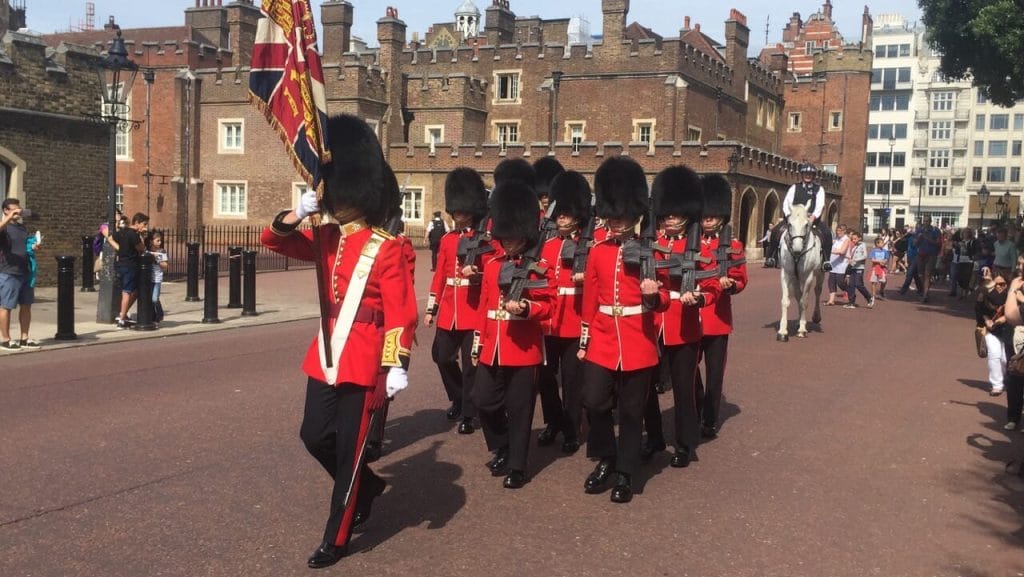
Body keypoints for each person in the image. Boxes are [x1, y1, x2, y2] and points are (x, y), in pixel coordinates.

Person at [260, 114, 418, 569]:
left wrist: (397, 363)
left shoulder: (389, 247)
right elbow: (272, 240)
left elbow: (401, 311)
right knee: (314, 435)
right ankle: (368, 485)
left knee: (349, 450)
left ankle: (338, 536)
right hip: (329, 351)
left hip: (367, 357)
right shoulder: (325, 238)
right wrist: (298, 212)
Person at [578, 156, 671, 504]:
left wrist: (654, 296)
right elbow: (590, 299)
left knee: (633, 411)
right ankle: (605, 457)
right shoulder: (598, 252)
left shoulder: (651, 252)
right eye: (611, 216)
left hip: (637, 337)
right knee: (594, 400)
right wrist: (585, 340)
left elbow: (663, 298)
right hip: (602, 336)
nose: (615, 222)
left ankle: (626, 472)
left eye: (621, 216)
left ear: (635, 215)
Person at [469, 179, 555, 488]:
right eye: (503, 236)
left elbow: (550, 305)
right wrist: (478, 341)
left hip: (523, 347)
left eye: (512, 236)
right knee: (482, 400)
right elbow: (483, 306)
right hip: (493, 344)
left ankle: (518, 465)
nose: (506, 242)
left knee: (520, 409)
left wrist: (527, 309)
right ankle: (502, 445)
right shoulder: (492, 264)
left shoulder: (539, 266)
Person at [641, 165, 720, 468]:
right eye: (667, 214)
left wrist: (699, 297)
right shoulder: (650, 242)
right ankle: (655, 438)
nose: (671, 219)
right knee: (646, 386)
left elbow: (712, 285)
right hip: (651, 322)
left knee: (683, 388)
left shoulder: (699, 246)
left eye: (676, 214)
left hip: (683, 323)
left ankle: (686, 444)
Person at [424, 167, 494, 434]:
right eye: (456, 211)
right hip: (450, 310)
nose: (458, 216)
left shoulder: (485, 241)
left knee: (470, 366)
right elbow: (440, 275)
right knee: (441, 357)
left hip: (473, 309)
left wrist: (476, 275)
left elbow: (491, 274)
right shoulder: (447, 240)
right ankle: (459, 397)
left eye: (463, 212)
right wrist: (432, 309)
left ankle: (467, 413)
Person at [536, 170, 592, 454]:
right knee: (545, 377)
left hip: (574, 321)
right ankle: (554, 421)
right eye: (559, 214)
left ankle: (572, 427)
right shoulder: (546, 245)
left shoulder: (588, 246)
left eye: (566, 214)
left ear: (577, 215)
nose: (561, 218)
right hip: (548, 321)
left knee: (572, 381)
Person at [696, 173, 747, 439]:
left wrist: (731, 285)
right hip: (691, 317)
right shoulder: (688, 244)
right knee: (689, 371)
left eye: (712, 216)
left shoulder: (733, 246)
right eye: (705, 215)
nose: (707, 220)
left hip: (717, 319)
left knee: (715, 373)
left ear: (721, 217)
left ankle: (710, 418)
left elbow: (741, 279)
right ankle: (696, 406)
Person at [763, 164, 833, 272]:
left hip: (810, 218)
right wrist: (788, 215)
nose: (807, 176)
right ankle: (771, 257)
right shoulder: (794, 187)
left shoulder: (819, 189)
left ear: (813, 176)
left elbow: (820, 205)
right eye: (805, 173)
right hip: (794, 217)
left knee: (826, 233)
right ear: (802, 175)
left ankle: (826, 261)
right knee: (776, 231)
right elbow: (787, 202)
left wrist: (813, 217)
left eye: (810, 174)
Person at [0, 198, 38, 351]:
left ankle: (24, 338)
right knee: (6, 306)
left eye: (19, 209)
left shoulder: (22, 228)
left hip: (25, 271)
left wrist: (33, 247)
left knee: (26, 305)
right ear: (6, 210)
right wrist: (8, 218)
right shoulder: (5, 228)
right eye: (14, 210)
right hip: (9, 272)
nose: (18, 212)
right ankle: (6, 339)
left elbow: (23, 246)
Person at [105, 212, 149, 328]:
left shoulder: (123, 231)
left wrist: (120, 249)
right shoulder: (134, 235)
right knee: (127, 292)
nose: (145, 227)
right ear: (137, 223)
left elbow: (110, 239)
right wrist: (142, 237)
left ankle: (123, 314)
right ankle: (121, 319)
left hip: (121, 264)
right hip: (130, 265)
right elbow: (142, 249)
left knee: (134, 292)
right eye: (144, 224)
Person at [977, 266, 1009, 397]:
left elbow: (1017, 311)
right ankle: (997, 385)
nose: (999, 286)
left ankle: (1007, 379)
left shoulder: (1011, 295)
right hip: (992, 330)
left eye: (1002, 284)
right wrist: (987, 320)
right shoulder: (986, 294)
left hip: (1008, 330)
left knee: (1006, 359)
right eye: (996, 284)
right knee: (994, 355)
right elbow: (979, 309)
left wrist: (1005, 318)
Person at [913, 216, 942, 303]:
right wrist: (919, 239)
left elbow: (938, 243)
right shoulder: (919, 230)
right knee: (921, 275)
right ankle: (926, 288)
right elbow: (915, 244)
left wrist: (927, 238)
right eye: (924, 221)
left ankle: (925, 294)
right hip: (920, 254)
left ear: (930, 221)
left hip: (931, 255)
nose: (925, 223)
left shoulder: (935, 230)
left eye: (927, 221)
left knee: (927, 274)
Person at [842, 230, 872, 308]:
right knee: (851, 285)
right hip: (853, 268)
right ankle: (851, 302)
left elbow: (865, 256)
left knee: (859, 284)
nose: (853, 240)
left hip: (860, 268)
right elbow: (852, 257)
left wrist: (855, 260)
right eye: (852, 239)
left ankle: (869, 298)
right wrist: (849, 260)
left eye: (855, 239)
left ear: (859, 238)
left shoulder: (863, 245)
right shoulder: (853, 247)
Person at [824, 224, 850, 306]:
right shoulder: (836, 239)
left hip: (841, 264)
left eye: (840, 231)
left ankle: (850, 291)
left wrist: (831, 250)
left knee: (840, 281)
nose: (838, 232)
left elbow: (842, 251)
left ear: (844, 231)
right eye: (837, 231)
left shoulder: (846, 240)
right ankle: (831, 300)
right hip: (833, 264)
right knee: (831, 282)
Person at [147, 230, 169, 323]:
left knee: (154, 299)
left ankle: (160, 314)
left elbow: (166, 265)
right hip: (148, 278)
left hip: (157, 278)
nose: (160, 242)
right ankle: (152, 316)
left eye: (160, 240)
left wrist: (158, 261)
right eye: (157, 240)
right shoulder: (147, 251)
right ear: (151, 241)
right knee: (149, 299)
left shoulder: (162, 251)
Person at [869, 236, 889, 301]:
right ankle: (873, 294)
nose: (883, 244)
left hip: (882, 268)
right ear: (877, 244)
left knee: (884, 281)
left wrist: (884, 262)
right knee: (873, 282)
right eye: (881, 243)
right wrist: (879, 261)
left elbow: (886, 259)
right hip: (875, 268)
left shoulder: (885, 251)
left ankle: (881, 290)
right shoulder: (873, 251)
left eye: (883, 243)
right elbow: (872, 260)